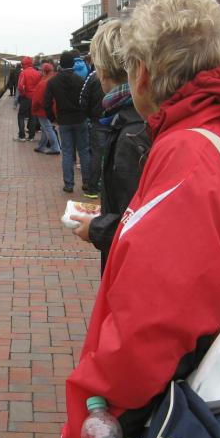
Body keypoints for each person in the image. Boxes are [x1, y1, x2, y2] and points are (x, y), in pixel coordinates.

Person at [61, 0, 220, 438]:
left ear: (141, 73)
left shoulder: (186, 153)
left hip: (187, 412)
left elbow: (150, 327)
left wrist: (89, 419)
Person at [71, 19, 150, 273]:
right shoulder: (139, 120)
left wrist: (95, 228)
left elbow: (140, 225)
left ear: (102, 72)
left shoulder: (130, 134)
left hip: (129, 273)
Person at [44, 52, 91, 194]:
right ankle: (87, 182)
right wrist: (85, 114)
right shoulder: (80, 80)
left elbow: (47, 103)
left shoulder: (53, 82)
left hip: (64, 121)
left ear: (61, 64)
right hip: (80, 119)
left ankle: (69, 184)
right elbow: (87, 100)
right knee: (84, 151)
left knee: (67, 152)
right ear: (72, 64)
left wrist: (53, 118)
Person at [79, 69, 105, 198]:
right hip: (118, 120)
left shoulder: (93, 76)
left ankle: (93, 187)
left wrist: (90, 115)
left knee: (97, 155)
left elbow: (83, 99)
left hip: (98, 121)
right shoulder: (122, 72)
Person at [31, 62, 60, 154]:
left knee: (47, 128)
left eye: (41, 70)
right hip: (52, 108)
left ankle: (55, 147)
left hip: (43, 109)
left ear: (44, 71)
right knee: (45, 128)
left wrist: (34, 108)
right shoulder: (56, 79)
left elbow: (37, 99)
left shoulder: (43, 83)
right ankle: (41, 146)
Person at [15, 56, 40, 141]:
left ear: (25, 64)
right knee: (33, 116)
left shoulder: (23, 73)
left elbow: (20, 86)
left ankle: (22, 136)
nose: (22, 66)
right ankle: (31, 137)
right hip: (35, 98)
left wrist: (23, 94)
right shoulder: (37, 73)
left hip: (26, 97)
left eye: (23, 64)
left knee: (21, 116)